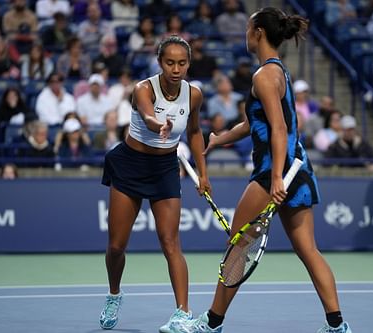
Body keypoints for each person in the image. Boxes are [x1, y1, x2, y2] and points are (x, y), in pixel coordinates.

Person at [171, 8, 352, 333]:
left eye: (247, 28)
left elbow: (279, 129)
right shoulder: (277, 73)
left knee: (237, 247)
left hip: (274, 172)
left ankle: (211, 324)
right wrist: (219, 139)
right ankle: (338, 325)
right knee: (308, 251)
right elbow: (254, 123)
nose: (244, 33)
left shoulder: (262, 76)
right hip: (299, 171)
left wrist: (277, 176)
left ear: (257, 33)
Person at [98, 35, 211, 332]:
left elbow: (196, 132)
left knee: (171, 242)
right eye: (170, 62)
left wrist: (203, 174)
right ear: (160, 63)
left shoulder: (194, 95)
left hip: (164, 167)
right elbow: (148, 114)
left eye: (182, 63)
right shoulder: (143, 88)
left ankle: (182, 313)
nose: (176, 68)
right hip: (130, 165)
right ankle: (114, 293)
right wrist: (159, 124)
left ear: (188, 64)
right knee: (116, 246)